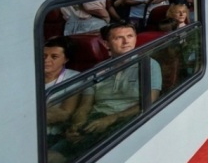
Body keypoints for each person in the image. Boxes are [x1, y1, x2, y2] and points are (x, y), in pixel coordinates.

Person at [52, 22, 161, 160]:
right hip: (95, 119)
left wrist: (112, 118)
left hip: (129, 121)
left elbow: (150, 101)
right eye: (118, 38)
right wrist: (76, 125)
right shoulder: (98, 69)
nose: (126, 41)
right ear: (106, 44)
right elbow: (85, 105)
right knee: (52, 155)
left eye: (130, 36)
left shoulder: (149, 64)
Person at [44, 37, 80, 145]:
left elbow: (65, 113)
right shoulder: (30, 76)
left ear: (65, 59)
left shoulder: (74, 78)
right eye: (44, 56)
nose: (46, 60)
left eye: (54, 57)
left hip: (52, 135)